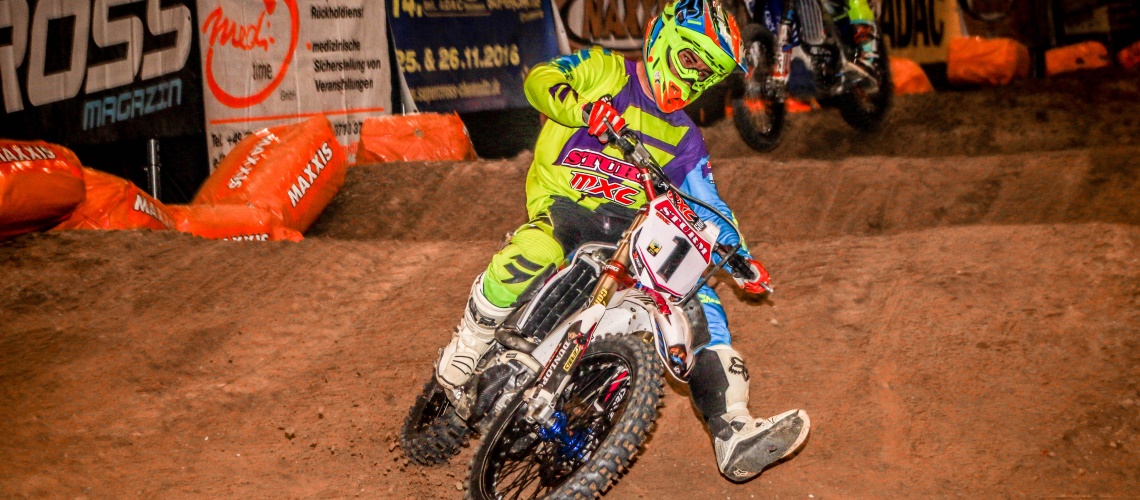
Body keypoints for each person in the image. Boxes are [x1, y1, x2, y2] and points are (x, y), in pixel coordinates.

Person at [435, 0, 810, 482]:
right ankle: (471, 340)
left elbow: (709, 205)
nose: (695, 80)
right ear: (664, 40)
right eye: (693, 61)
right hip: (566, 203)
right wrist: (583, 108)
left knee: (697, 295)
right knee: (538, 249)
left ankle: (732, 428)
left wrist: (740, 258)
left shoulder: (685, 138)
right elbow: (540, 79)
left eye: (708, 75)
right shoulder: (607, 71)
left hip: (629, 234)